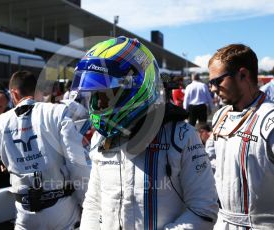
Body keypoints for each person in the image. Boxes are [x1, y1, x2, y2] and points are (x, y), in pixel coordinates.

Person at [72, 36, 218, 229]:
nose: (98, 104)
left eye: (106, 94)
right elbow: (94, 202)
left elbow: (204, 209)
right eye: (95, 95)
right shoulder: (100, 138)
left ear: (135, 88)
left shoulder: (181, 135)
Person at [0, 70, 90, 230]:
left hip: (25, 213)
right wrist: (86, 203)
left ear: (14, 93)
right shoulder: (57, 113)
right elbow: (78, 163)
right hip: (62, 210)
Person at [208, 44, 274, 229]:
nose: (213, 89)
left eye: (217, 81)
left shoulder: (269, 119)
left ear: (243, 75)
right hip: (222, 222)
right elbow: (211, 163)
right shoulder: (220, 116)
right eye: (210, 82)